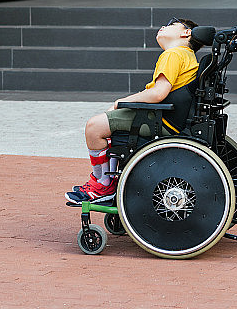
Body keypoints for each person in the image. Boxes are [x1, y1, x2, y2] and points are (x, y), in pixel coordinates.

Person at [65, 17, 200, 204]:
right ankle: (108, 180)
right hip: (172, 118)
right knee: (107, 126)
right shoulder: (187, 56)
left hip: (160, 119)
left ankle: (103, 184)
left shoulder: (174, 54)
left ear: (186, 33)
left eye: (170, 25)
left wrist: (122, 101)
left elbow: (158, 93)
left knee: (94, 127)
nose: (163, 26)